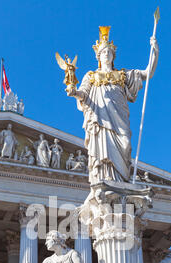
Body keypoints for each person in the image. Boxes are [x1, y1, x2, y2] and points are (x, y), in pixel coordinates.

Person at [67, 26, 159, 185]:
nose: (107, 55)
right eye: (103, 52)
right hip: (100, 119)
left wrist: (155, 52)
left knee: (125, 144)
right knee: (101, 151)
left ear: (113, 56)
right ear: (98, 56)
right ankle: (104, 182)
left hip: (119, 119)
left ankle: (121, 182)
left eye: (109, 52)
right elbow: (83, 94)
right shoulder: (91, 76)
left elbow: (148, 73)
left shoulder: (123, 75)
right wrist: (74, 92)